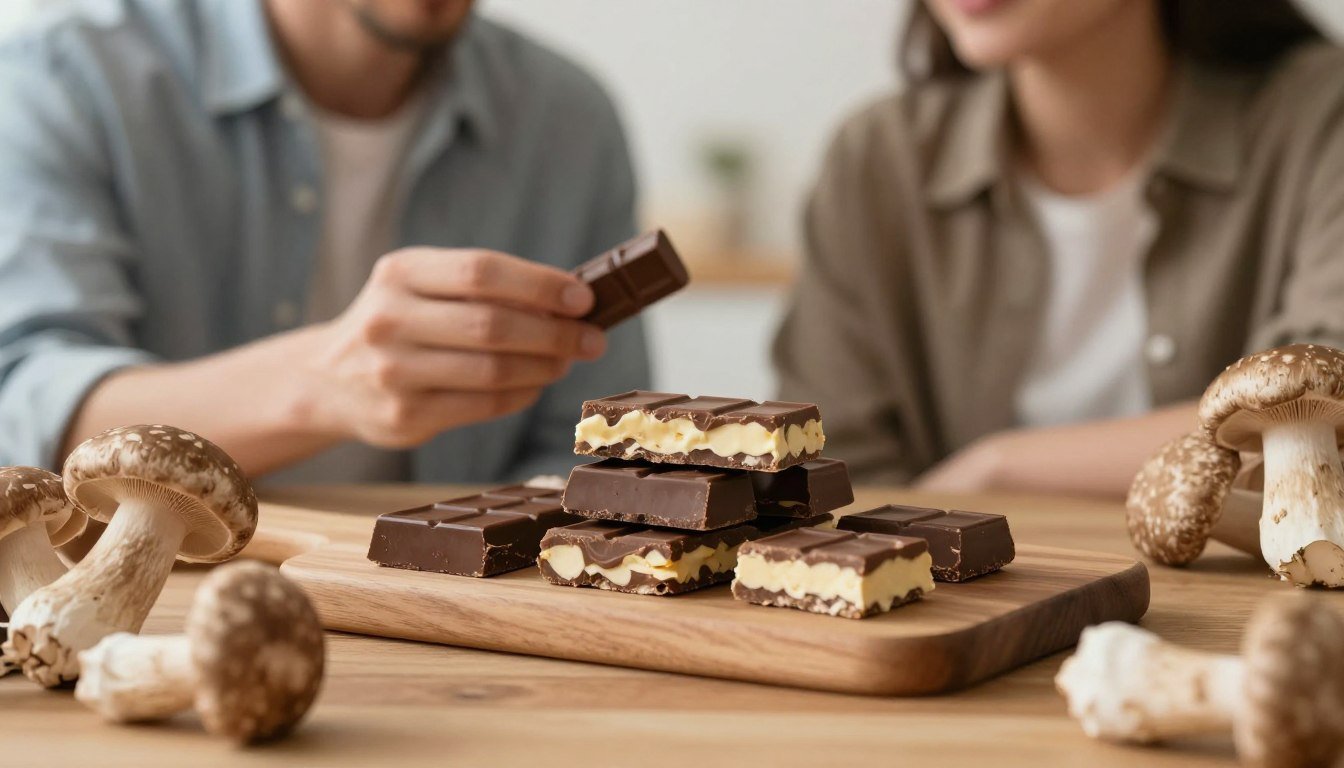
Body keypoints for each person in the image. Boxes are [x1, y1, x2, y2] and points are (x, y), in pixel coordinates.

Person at [0, 0, 648, 482]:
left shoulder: (570, 121)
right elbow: (26, 411)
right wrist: (325, 384)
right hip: (153, 616)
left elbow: (591, 447)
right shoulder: (65, 81)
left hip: (460, 632)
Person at [775, 0, 1341, 496]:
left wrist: (997, 469)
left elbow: (1323, 417)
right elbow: (831, 468)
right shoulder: (877, 160)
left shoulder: (1321, 119)